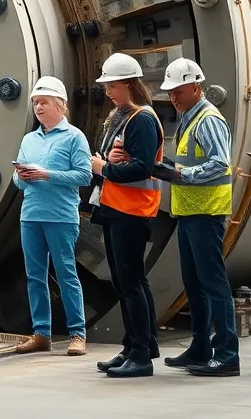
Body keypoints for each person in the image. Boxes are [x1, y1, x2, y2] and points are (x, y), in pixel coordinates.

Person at [151, 58, 239, 377]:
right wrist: (168, 167)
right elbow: (190, 162)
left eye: (178, 91)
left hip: (206, 213)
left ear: (196, 87)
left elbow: (220, 164)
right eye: (170, 92)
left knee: (213, 284)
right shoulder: (189, 118)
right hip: (190, 213)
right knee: (195, 284)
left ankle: (227, 355)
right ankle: (200, 348)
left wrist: (179, 174)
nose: (173, 97)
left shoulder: (208, 119)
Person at [89, 52, 164, 379]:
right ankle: (136, 345)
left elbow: (143, 167)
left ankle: (140, 355)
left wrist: (104, 168)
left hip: (131, 211)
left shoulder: (141, 119)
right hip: (117, 208)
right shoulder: (126, 117)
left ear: (129, 84)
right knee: (126, 281)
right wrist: (110, 163)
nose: (107, 91)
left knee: (130, 281)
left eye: (112, 85)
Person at [12, 76, 92, 357]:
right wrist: (22, 176)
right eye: (35, 103)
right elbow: (17, 182)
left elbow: (84, 175)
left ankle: (78, 334)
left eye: (43, 102)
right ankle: (41, 334)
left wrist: (46, 174)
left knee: (66, 274)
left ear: (60, 105)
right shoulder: (29, 139)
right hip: (31, 216)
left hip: (61, 217)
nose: (38, 107)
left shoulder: (74, 137)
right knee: (34, 276)